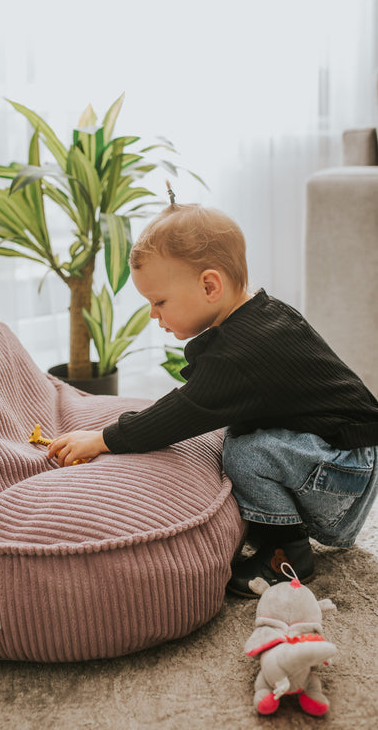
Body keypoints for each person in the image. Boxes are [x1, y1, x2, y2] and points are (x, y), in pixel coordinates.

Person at [47, 198, 378, 597]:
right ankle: (272, 527)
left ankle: (286, 555)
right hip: (347, 462)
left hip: (344, 473)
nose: (154, 315)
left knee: (245, 452)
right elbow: (200, 394)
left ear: (209, 286)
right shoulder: (260, 317)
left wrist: (103, 439)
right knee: (240, 438)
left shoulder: (242, 353)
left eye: (160, 302)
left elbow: (185, 411)